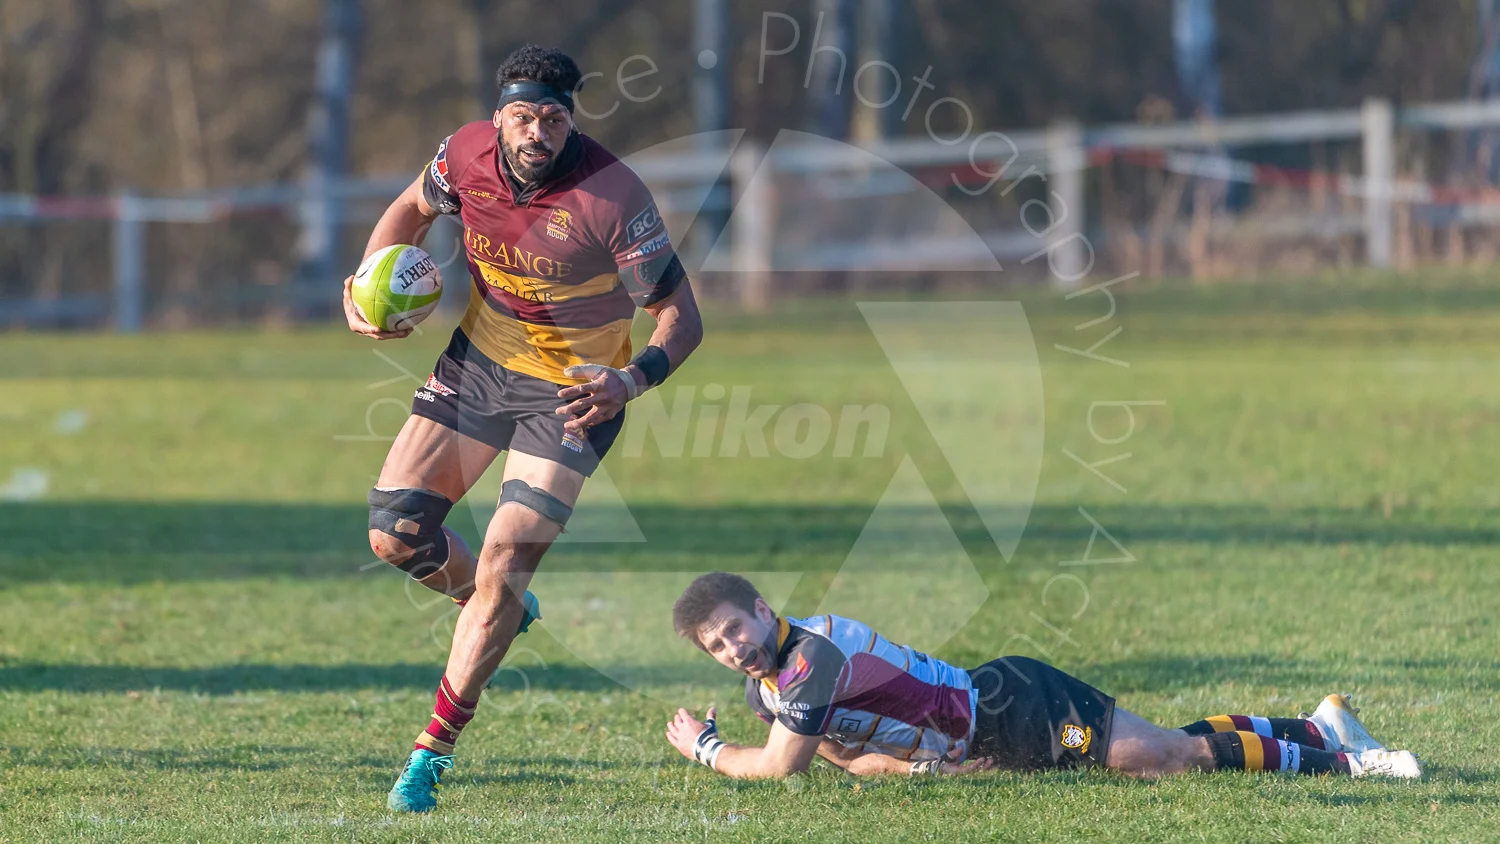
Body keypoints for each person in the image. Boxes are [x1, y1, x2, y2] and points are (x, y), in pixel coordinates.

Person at [343, 44, 703, 813]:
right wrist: (366, 284)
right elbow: (411, 205)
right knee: (395, 533)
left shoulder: (611, 195)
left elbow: (680, 314)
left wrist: (631, 380)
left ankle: (430, 754)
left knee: (504, 560)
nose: (536, 132)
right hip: (480, 365)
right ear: (498, 116)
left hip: (575, 392)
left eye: (552, 117)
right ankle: (498, 604)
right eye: (521, 116)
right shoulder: (463, 154)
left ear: (571, 117)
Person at [665, 573, 1422, 780]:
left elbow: (777, 766)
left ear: (764, 610)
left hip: (1009, 704)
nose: (733, 648)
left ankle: (1352, 765)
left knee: (1165, 760)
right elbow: (843, 755)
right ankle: (1319, 728)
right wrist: (922, 768)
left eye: (736, 628)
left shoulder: (809, 662)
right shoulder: (766, 689)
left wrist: (706, 749)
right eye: (718, 646)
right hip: (981, 739)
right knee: (1161, 751)